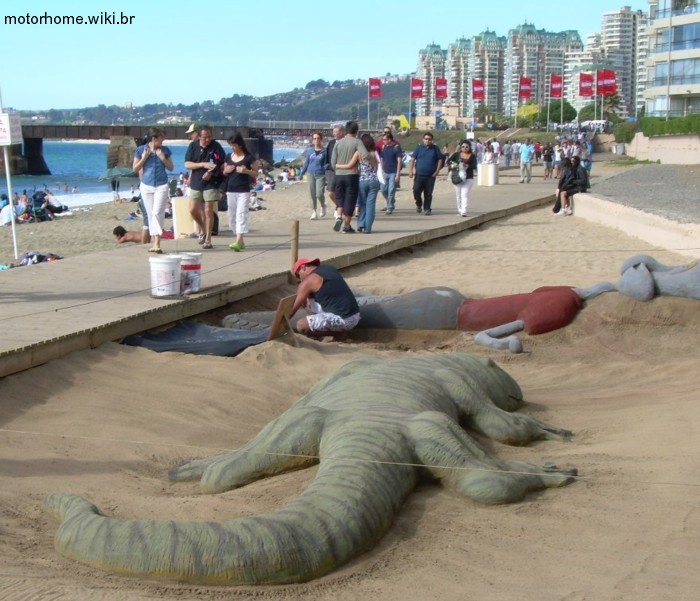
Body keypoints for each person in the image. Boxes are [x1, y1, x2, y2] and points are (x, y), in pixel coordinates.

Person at [290, 257, 361, 342]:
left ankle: (338, 333)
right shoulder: (329, 268)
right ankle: (334, 331)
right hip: (356, 316)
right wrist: (309, 297)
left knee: (301, 326)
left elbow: (291, 310)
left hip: (343, 320)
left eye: (298, 275)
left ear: (303, 268)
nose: (300, 279)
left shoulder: (309, 281)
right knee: (312, 306)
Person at [133, 127, 174, 253]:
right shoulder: (141, 150)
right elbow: (135, 168)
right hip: (146, 185)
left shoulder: (165, 150)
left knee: (157, 212)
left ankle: (157, 242)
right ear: (154, 138)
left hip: (161, 184)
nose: (163, 140)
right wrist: (145, 157)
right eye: (161, 137)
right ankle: (155, 242)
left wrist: (162, 158)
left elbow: (171, 167)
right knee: (151, 214)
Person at [184, 125, 225, 249]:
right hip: (197, 181)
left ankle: (208, 239)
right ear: (199, 136)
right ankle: (202, 228)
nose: (207, 140)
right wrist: (203, 164)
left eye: (209, 137)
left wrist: (212, 172)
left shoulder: (216, 146)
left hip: (211, 182)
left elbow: (221, 163)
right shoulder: (193, 146)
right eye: (205, 137)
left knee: (208, 210)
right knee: (192, 209)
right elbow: (187, 164)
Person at [331, 120, 371, 234]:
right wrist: (354, 161)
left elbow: (333, 163)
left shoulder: (338, 143)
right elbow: (366, 155)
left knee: (339, 198)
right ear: (356, 131)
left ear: (346, 130)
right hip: (351, 175)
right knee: (350, 199)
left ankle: (339, 216)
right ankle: (346, 226)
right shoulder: (357, 142)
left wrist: (340, 166)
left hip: (338, 175)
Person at [221, 132, 258, 252]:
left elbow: (256, 173)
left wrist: (246, 171)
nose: (232, 147)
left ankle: (238, 240)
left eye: (234, 145)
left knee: (241, 214)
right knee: (231, 215)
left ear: (240, 145)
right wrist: (226, 170)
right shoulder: (228, 156)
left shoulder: (249, 157)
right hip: (230, 190)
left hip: (243, 190)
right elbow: (224, 172)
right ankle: (240, 241)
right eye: (231, 145)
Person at [408, 131, 443, 215]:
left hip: (430, 175)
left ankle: (427, 208)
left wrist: (437, 171)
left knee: (428, 193)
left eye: (429, 139)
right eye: (426, 139)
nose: (427, 140)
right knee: (416, 190)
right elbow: (412, 159)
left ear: (432, 140)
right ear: (423, 139)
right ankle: (419, 204)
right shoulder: (419, 148)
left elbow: (440, 159)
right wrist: (410, 170)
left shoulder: (435, 149)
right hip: (419, 174)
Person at [300, 132, 327, 219]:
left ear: (321, 139)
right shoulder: (309, 151)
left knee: (319, 194)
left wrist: (325, 168)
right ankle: (314, 212)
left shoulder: (325, 151)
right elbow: (306, 163)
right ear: (312, 140)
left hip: (321, 174)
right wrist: (302, 173)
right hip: (310, 173)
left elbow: (327, 163)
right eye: (314, 138)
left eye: (318, 138)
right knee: (312, 193)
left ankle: (323, 205)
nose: (316, 140)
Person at [448, 140, 477, 217]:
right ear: (460, 147)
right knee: (458, 194)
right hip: (457, 177)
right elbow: (448, 161)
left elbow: (475, 165)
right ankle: (460, 209)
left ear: (469, 147)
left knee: (464, 194)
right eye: (463, 146)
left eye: (467, 147)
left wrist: (468, 166)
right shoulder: (456, 154)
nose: (465, 148)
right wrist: (455, 165)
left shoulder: (472, 156)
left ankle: (464, 210)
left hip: (468, 177)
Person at [378, 132, 402, 214]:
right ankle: (391, 201)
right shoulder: (384, 147)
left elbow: (399, 161)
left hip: (393, 172)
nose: (383, 141)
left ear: (389, 139)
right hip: (385, 171)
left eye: (384, 139)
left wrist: (398, 174)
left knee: (391, 190)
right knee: (383, 189)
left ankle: (390, 207)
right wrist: (381, 169)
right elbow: (382, 158)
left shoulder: (396, 148)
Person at [324, 124, 344, 212]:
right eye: (333, 131)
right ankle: (340, 206)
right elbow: (327, 155)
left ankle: (339, 209)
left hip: (343, 170)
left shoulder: (345, 142)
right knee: (331, 193)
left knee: (341, 192)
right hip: (331, 171)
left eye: (336, 132)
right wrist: (327, 166)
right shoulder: (331, 143)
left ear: (342, 132)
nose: (334, 133)